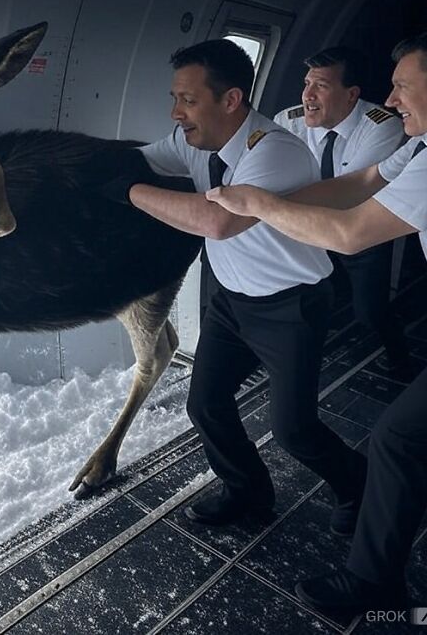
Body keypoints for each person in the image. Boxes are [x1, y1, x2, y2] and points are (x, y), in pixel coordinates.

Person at [206, 31, 427, 612]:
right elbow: (359, 185)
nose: (393, 96)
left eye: (403, 85)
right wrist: (275, 197)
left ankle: (372, 582)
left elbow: (351, 231)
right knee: (401, 439)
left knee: (398, 437)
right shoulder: (423, 145)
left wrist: (258, 205)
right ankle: (376, 576)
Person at [103, 39, 366, 535]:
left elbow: (218, 222)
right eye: (174, 98)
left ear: (231, 100)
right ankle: (247, 491)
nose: (176, 112)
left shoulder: (274, 151)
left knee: (293, 430)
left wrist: (128, 192)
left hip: (292, 306)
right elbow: (144, 157)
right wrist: (87, 166)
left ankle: (358, 485)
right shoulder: (193, 141)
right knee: (205, 404)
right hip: (232, 302)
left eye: (187, 99)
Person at [275, 47, 410, 377]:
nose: (307, 95)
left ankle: (399, 357)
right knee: (306, 300)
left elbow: (350, 194)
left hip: (361, 229)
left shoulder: (382, 126)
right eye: (306, 83)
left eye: (320, 85)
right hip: (308, 230)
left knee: (370, 311)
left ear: (351, 95)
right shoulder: (286, 121)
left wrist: (270, 203)